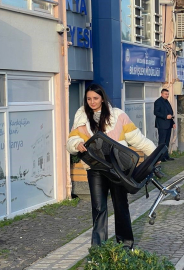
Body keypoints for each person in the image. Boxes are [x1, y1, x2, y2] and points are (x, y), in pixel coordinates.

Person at [66, 84, 156, 248]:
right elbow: (71, 140)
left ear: (102, 98)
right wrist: (77, 143)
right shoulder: (81, 116)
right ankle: (99, 248)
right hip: (95, 169)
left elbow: (138, 138)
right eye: (88, 99)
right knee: (99, 207)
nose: (92, 102)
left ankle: (125, 244)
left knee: (121, 206)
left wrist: (155, 154)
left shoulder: (118, 115)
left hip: (117, 168)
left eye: (95, 98)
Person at [154, 89, 176, 162]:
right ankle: (160, 157)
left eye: (168, 94)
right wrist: (165, 116)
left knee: (167, 141)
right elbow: (156, 112)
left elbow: (170, 113)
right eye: (166, 94)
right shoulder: (158, 102)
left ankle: (166, 156)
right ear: (162, 94)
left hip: (169, 124)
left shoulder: (167, 102)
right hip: (162, 125)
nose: (167, 95)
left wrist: (173, 122)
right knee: (162, 142)